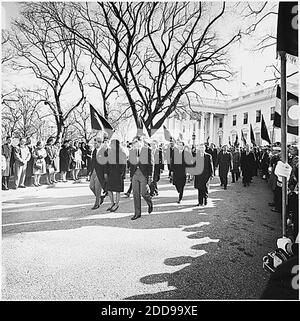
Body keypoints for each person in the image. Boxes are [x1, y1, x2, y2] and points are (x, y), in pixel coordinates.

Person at [128, 135, 153, 220]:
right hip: (135, 174)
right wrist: (131, 176)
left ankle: (149, 202)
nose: (134, 144)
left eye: (136, 142)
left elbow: (151, 164)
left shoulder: (147, 150)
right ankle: (137, 213)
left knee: (143, 193)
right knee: (135, 194)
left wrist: (150, 176)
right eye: (134, 143)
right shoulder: (132, 151)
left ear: (140, 141)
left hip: (143, 174)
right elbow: (131, 165)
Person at [104, 139, 127, 212]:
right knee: (109, 189)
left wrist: (122, 175)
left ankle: (117, 204)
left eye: (112, 144)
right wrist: (106, 172)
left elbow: (124, 165)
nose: (110, 145)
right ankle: (112, 203)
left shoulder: (122, 153)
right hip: (110, 173)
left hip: (118, 174)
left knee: (117, 190)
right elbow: (106, 163)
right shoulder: (109, 152)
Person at [89, 137, 106, 210]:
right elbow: (92, 162)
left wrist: (105, 173)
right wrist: (90, 171)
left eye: (96, 143)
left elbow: (105, 164)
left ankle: (97, 203)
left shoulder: (104, 151)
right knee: (91, 186)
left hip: (100, 172)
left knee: (98, 188)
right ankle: (100, 197)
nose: (94, 145)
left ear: (100, 143)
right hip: (93, 171)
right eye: (94, 143)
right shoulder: (94, 151)